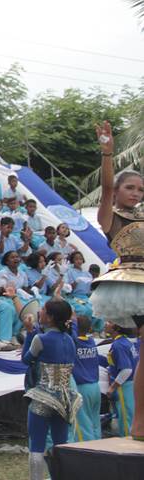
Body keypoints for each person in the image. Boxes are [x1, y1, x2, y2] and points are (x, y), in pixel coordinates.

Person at [90, 121, 144, 439]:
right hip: (131, 284)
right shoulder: (110, 216)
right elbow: (107, 188)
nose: (135, 193)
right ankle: (139, 423)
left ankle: (140, 422)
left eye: (140, 189)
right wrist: (107, 154)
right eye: (130, 188)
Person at [21, 297, 80, 480]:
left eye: (44, 310)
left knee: (37, 446)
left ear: (51, 317)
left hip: (43, 397)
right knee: (61, 445)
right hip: (65, 398)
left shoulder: (40, 338)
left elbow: (26, 359)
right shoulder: (70, 340)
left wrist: (29, 332)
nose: (40, 312)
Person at [105, 320, 138, 437]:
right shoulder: (126, 342)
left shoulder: (118, 345)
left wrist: (112, 387)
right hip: (131, 385)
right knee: (129, 416)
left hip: (124, 386)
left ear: (116, 327)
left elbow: (126, 370)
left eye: (109, 322)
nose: (106, 324)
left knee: (125, 420)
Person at [71, 315, 102, 441]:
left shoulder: (74, 342)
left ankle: (87, 449)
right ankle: (99, 447)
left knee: (82, 424)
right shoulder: (91, 341)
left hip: (81, 387)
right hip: (95, 387)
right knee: (95, 422)